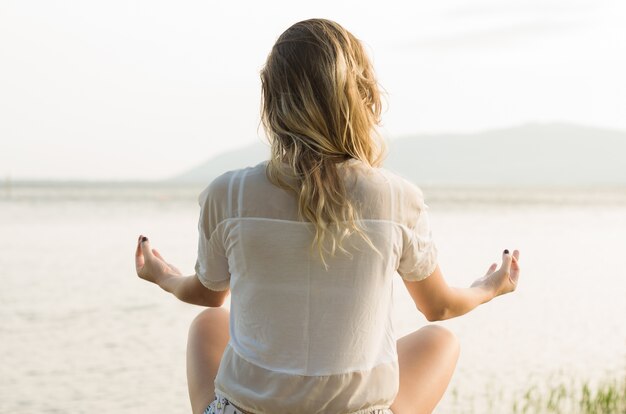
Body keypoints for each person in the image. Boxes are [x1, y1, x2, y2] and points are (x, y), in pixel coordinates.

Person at [134, 18, 520, 414]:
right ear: (360, 95)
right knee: (442, 340)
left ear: (272, 101)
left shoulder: (228, 194)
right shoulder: (394, 197)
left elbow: (206, 295)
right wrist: (489, 287)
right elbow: (438, 308)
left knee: (207, 325)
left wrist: (161, 274)